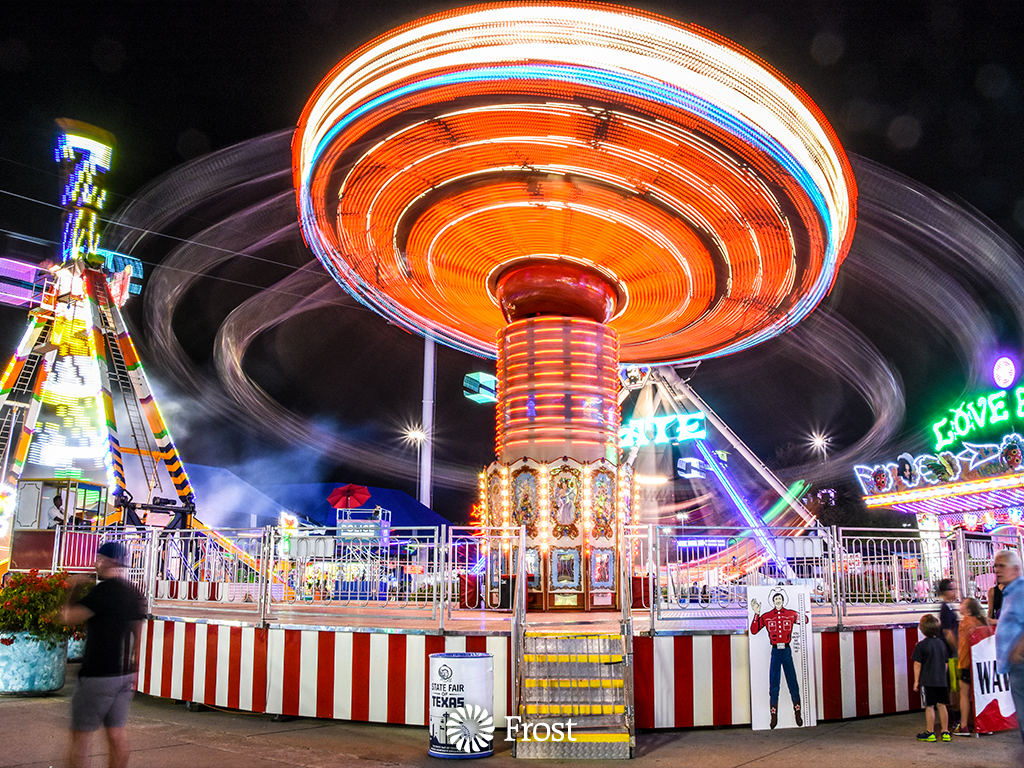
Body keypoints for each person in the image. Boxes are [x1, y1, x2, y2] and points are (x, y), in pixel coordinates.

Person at [60, 541, 145, 768]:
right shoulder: (132, 592)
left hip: (97, 673)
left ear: (110, 560)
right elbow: (138, 631)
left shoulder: (103, 592)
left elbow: (69, 617)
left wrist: (74, 589)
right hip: (124, 673)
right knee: (116, 733)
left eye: (98, 559)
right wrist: (133, 661)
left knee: (81, 736)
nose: (95, 564)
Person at [750, 589, 806, 729]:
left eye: (780, 598)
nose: (778, 601)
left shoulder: (790, 614)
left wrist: (802, 609)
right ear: (773, 602)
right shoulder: (767, 616)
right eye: (776, 599)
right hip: (775, 651)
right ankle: (773, 715)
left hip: (786, 650)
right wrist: (756, 614)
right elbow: (754, 630)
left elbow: (804, 620)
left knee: (792, 682)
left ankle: (797, 712)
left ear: (783, 600)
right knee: (774, 683)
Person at [992, 550, 1024, 746]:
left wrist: (1018, 650)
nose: (997, 570)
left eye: (1001, 566)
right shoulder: (1011, 593)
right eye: (995, 566)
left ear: (1015, 569)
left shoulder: (1020, 592)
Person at [913, 613, 951, 741]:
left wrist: (916, 681)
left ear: (922, 629)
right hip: (941, 680)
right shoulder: (941, 644)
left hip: (927, 680)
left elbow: (917, 664)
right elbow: (946, 663)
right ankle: (945, 732)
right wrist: (942, 675)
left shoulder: (921, 645)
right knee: (942, 705)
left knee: (929, 706)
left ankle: (930, 731)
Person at [954, 597, 989, 735]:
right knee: (980, 695)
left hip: (966, 661)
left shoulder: (965, 622)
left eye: (963, 603)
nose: (960, 605)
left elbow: (963, 644)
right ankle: (983, 725)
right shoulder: (981, 621)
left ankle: (964, 725)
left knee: (964, 695)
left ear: (968, 610)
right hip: (980, 662)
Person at [937, 578, 960, 724]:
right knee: (954, 685)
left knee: (954, 684)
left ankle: (954, 713)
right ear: (945, 592)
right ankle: (955, 715)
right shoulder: (945, 609)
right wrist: (957, 648)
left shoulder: (948, 608)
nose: (954, 592)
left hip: (951, 652)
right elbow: (947, 632)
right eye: (952, 589)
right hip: (950, 653)